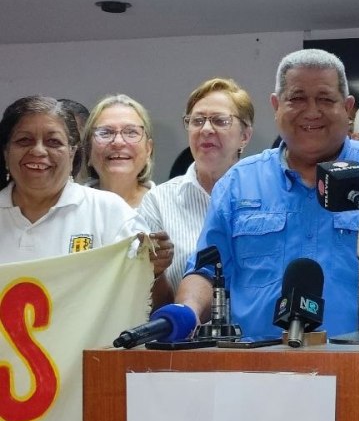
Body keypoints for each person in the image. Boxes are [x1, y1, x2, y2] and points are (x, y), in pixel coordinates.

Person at [175, 48, 359, 380]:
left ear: (348, 107)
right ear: (276, 105)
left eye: (325, 99)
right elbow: (205, 272)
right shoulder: (238, 184)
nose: (312, 112)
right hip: (259, 379)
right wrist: (185, 313)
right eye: (297, 98)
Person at [0, 96, 172, 298]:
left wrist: (155, 272)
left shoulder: (110, 212)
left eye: (53, 142)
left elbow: (155, 307)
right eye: (24, 140)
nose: (38, 150)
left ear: (73, 153)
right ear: (5, 152)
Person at [138, 78, 254, 295]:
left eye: (220, 121)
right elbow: (147, 304)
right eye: (197, 121)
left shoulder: (266, 194)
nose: (206, 129)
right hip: (185, 326)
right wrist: (156, 271)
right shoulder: (158, 201)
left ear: (245, 136)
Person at [84, 94, 155, 207]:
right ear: (88, 150)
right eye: (105, 133)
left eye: (131, 132)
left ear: (148, 149)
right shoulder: (67, 211)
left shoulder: (168, 206)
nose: (118, 142)